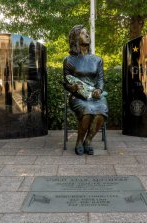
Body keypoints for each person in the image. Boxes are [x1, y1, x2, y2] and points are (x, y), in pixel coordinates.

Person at [63, 25, 108, 155]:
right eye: (83, 33)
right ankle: (79, 141)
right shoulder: (68, 60)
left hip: (95, 95)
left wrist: (99, 90)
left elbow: (100, 79)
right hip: (78, 96)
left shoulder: (97, 59)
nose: (87, 35)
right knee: (87, 111)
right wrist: (73, 87)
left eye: (87, 33)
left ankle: (88, 141)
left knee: (101, 110)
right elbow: (66, 83)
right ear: (76, 38)